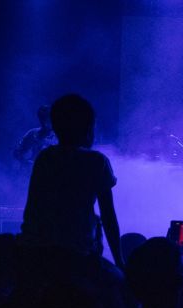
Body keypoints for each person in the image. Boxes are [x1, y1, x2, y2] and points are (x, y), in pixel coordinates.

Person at [19, 94, 124, 268]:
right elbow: (108, 216)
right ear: (88, 128)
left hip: (38, 254)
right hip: (77, 254)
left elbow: (33, 209)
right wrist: (119, 261)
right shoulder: (96, 161)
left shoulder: (45, 158)